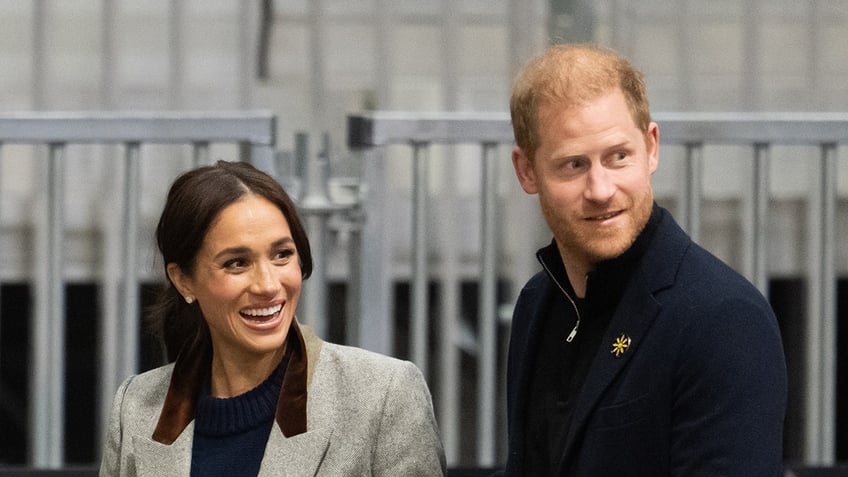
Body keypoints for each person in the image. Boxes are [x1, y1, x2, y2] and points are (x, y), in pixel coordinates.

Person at [501, 44, 787, 475]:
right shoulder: (537, 302)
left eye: (618, 157)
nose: (600, 189)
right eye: (573, 165)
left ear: (651, 148)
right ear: (526, 172)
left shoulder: (723, 319)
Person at [99, 160, 446, 476]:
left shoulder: (384, 395)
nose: (268, 285)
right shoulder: (136, 408)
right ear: (184, 280)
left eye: (282, 255)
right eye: (237, 262)